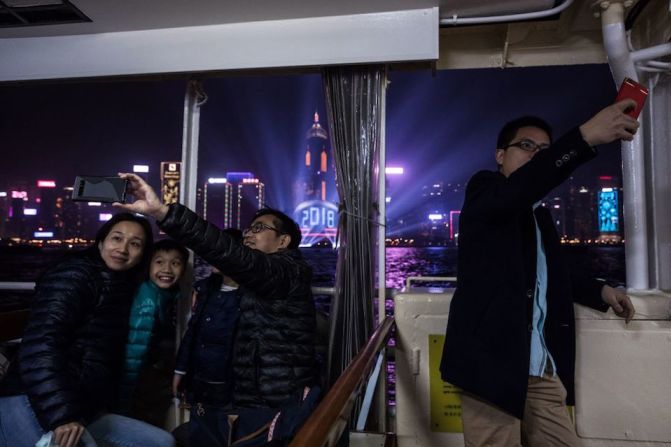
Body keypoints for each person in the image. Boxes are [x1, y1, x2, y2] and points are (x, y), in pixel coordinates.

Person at [440, 100, 638, 447]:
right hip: (491, 366)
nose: (537, 155)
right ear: (500, 155)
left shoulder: (539, 216)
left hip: (539, 367)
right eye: (526, 146)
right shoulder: (485, 191)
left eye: (544, 150)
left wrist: (601, 291)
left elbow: (552, 271)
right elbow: (517, 190)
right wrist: (585, 136)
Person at [114, 176, 319, 446]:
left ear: (283, 242)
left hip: (274, 406)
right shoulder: (250, 281)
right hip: (250, 401)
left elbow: (229, 254)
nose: (248, 233)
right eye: (248, 228)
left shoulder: (285, 270)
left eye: (259, 228)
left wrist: (164, 212)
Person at [0, 213, 176, 447]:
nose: (123, 249)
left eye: (135, 244)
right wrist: (63, 416)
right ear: (101, 242)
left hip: (81, 406)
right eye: (117, 238)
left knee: (161, 442)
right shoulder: (74, 275)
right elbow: (40, 347)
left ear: (142, 254)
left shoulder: (123, 285)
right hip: (31, 397)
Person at [171, 229, 244, 446]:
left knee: (224, 437)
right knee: (199, 433)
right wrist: (180, 370)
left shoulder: (248, 298)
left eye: (221, 250)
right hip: (199, 383)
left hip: (230, 387)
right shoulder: (204, 289)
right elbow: (192, 332)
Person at [119, 239, 189, 427]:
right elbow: (134, 352)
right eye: (159, 262)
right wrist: (124, 400)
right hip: (138, 387)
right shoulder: (148, 301)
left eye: (175, 263)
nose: (167, 269)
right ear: (148, 265)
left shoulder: (166, 295)